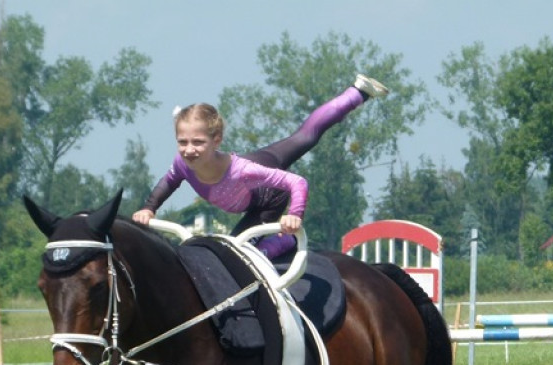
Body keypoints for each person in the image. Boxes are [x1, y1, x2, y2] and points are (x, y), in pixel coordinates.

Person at [133, 74, 389, 259]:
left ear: (217, 140)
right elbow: (168, 182)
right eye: (183, 142)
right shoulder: (183, 164)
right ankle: (359, 91)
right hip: (258, 164)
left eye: (198, 142)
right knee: (303, 137)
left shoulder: (243, 171)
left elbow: (297, 182)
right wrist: (149, 208)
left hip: (268, 198)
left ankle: (285, 242)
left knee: (240, 253)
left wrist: (294, 215)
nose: (189, 150)